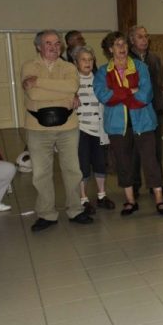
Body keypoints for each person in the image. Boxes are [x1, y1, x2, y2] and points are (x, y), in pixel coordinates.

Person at [21, 30, 93, 231]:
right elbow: (33, 94)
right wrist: (59, 91)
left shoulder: (69, 66)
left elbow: (71, 86)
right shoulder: (28, 66)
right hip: (37, 128)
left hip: (68, 127)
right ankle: (47, 214)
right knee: (41, 173)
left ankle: (75, 210)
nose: (53, 47)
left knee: (72, 170)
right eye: (48, 43)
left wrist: (40, 82)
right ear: (38, 46)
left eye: (56, 43)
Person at [95, 32, 163, 217]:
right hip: (117, 126)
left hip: (143, 122)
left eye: (124, 43)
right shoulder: (103, 72)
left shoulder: (140, 67)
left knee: (151, 161)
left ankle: (159, 199)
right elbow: (104, 96)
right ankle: (130, 200)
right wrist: (131, 91)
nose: (122, 47)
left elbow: (145, 96)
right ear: (110, 49)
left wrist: (118, 92)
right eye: (117, 44)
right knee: (124, 163)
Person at [128, 25, 163, 197]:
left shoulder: (154, 58)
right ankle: (134, 184)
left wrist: (160, 105)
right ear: (132, 40)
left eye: (146, 36)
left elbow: (157, 84)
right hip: (134, 111)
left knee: (156, 150)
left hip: (154, 109)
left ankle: (157, 183)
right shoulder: (127, 60)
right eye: (140, 37)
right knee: (135, 151)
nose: (145, 40)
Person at [72, 46, 115, 212]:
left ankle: (101, 196)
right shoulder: (71, 81)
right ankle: (83, 198)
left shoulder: (99, 79)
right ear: (76, 62)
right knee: (83, 166)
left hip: (99, 129)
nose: (87, 63)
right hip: (80, 129)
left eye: (90, 60)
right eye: (83, 59)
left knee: (100, 164)